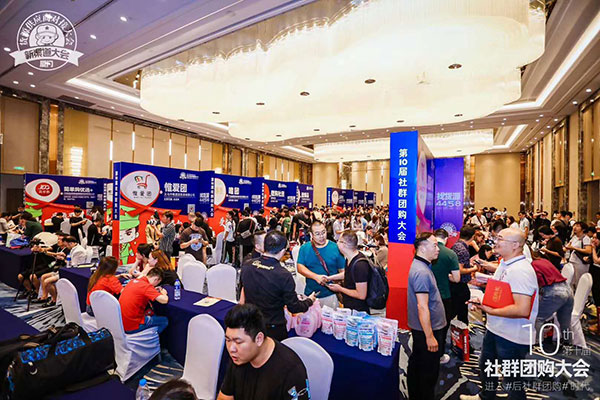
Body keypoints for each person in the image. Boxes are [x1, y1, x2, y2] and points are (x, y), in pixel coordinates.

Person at [461, 228, 538, 400]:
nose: (495, 242)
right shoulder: (505, 263)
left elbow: (522, 309)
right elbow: (501, 293)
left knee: (512, 380)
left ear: (515, 245)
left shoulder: (521, 271)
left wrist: (490, 310)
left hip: (512, 336)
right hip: (496, 328)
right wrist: (483, 302)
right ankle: (486, 396)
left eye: (500, 239)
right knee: (486, 366)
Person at [217, 304, 311, 400]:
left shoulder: (291, 371)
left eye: (238, 342)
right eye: (228, 340)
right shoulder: (238, 357)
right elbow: (224, 397)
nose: (231, 348)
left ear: (259, 339)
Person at [240, 230, 315, 341]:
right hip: (273, 328)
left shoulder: (247, 265)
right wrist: (309, 301)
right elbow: (294, 307)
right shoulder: (283, 275)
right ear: (283, 251)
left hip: (251, 324)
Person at [407, 232, 445, 400]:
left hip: (425, 328)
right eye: (434, 245)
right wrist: (430, 336)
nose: (438, 249)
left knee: (418, 364)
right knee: (428, 371)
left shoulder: (422, 265)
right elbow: (422, 307)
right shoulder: (421, 272)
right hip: (427, 329)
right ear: (422, 248)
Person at [296, 221, 346, 309]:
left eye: (323, 232)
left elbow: (343, 272)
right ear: (311, 234)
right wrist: (316, 277)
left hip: (330, 295)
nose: (321, 236)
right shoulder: (304, 248)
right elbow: (300, 268)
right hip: (311, 295)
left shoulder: (335, 247)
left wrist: (331, 279)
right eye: (317, 234)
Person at [530, 253, 573, 343]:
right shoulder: (543, 260)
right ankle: (568, 344)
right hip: (568, 290)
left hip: (555, 292)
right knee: (565, 322)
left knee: (538, 318)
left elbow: (535, 285)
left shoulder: (532, 266)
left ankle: (537, 343)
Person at [432, 229, 460, 364]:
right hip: (444, 295)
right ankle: (439, 355)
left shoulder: (426, 251)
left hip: (427, 294)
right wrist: (446, 275)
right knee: (442, 326)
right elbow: (456, 278)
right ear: (446, 238)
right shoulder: (450, 254)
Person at [325, 230, 370, 312]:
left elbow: (361, 295)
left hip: (358, 311)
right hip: (349, 306)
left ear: (344, 244)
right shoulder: (349, 258)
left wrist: (340, 289)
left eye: (339, 241)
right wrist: (329, 278)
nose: (337, 243)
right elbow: (348, 273)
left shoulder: (360, 265)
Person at [119, 267, 169, 334]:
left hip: (121, 323)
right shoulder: (146, 287)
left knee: (152, 314)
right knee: (164, 321)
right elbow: (164, 300)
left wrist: (153, 290)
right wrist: (164, 293)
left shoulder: (134, 281)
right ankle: (151, 337)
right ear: (156, 279)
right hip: (132, 326)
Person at [451, 225, 478, 324]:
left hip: (454, 284)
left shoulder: (456, 245)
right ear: (472, 237)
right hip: (460, 285)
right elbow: (459, 270)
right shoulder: (463, 250)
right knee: (461, 311)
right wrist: (473, 269)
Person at [565, 221, 592, 288]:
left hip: (580, 263)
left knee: (579, 282)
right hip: (572, 261)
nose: (575, 227)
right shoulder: (574, 237)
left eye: (578, 226)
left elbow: (588, 251)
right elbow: (567, 247)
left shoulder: (585, 238)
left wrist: (574, 248)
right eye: (574, 225)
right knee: (571, 281)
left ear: (583, 229)